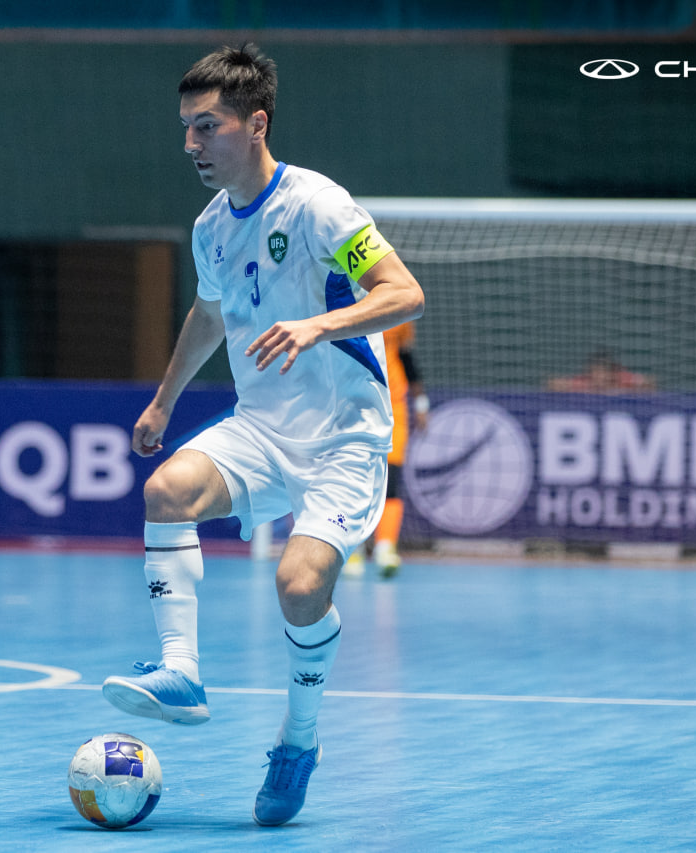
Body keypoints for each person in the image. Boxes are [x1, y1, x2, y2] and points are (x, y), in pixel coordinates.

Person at [100, 44, 425, 826]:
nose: (191, 144)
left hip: (344, 439)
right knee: (166, 489)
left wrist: (321, 323)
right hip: (260, 426)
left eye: (206, 126)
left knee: (299, 583)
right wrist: (162, 402)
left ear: (256, 123)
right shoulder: (212, 226)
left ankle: (298, 741)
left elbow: (404, 292)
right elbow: (209, 314)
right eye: (186, 128)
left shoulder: (319, 206)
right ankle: (182, 671)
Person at [343, 320, 427, 578]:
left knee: (391, 477)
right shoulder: (343, 302)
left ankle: (385, 548)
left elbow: (406, 356)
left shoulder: (399, 307)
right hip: (353, 402)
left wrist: (421, 402)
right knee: (353, 475)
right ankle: (351, 548)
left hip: (394, 406)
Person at [547, 349, 654, 393]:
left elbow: (649, 383)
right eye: (595, 371)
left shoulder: (622, 379)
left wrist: (622, 392)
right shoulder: (584, 382)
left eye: (603, 371)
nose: (600, 375)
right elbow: (553, 384)